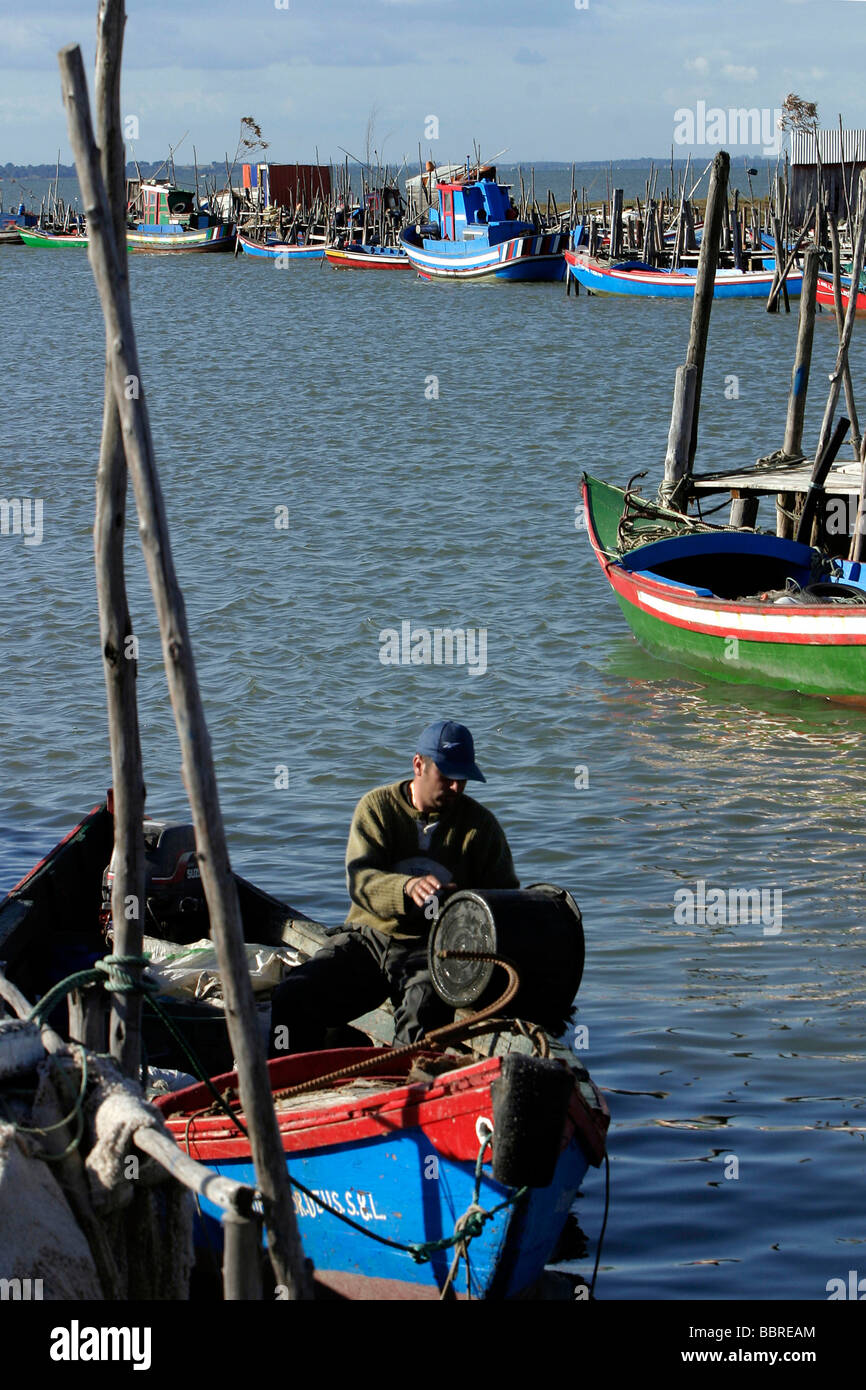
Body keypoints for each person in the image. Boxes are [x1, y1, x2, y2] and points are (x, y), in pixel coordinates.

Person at [269, 720, 518, 1054]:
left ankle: (406, 1092)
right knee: (293, 995)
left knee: (422, 1019)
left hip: (433, 949)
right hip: (368, 940)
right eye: (447, 777)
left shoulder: (481, 828)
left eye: (463, 779)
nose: (457, 788)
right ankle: (289, 1088)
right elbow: (361, 880)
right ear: (418, 765)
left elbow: (505, 900)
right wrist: (406, 888)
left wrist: (465, 906)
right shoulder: (377, 808)